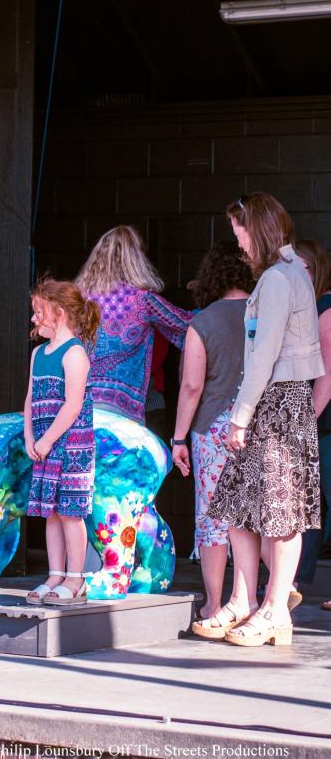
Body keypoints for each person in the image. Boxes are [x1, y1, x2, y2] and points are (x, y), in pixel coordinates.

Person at [198, 192, 323, 647]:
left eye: (242, 233)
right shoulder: (291, 275)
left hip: (276, 402)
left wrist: (239, 418)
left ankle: (272, 609)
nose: (241, 244)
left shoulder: (276, 278)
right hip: (278, 401)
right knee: (238, 503)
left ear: (261, 230)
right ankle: (247, 600)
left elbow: (265, 354)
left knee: (277, 509)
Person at [170, 241, 253, 622]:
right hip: (258, 423)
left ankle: (215, 604)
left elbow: (191, 386)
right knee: (256, 516)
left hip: (214, 428)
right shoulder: (266, 313)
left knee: (213, 519)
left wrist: (179, 437)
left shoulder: (203, 322)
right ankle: (264, 596)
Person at [24, 279, 100, 605]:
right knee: (51, 513)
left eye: (38, 312)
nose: (33, 319)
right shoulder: (38, 353)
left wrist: (47, 439)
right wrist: (31, 437)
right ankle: (55, 574)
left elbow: (72, 404)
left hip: (70, 446)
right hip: (44, 445)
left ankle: (75, 578)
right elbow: (29, 399)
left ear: (58, 312)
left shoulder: (74, 353)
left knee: (70, 512)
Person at [74, 225, 192, 426]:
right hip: (123, 411)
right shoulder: (143, 300)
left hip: (76, 406)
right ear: (137, 259)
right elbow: (190, 325)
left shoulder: (77, 300)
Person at [291, 239, 331, 611]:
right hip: (316, 424)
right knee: (309, 505)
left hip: (324, 425)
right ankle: (295, 581)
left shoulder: (326, 306)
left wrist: (308, 421)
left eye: (301, 266)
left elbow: (328, 375)